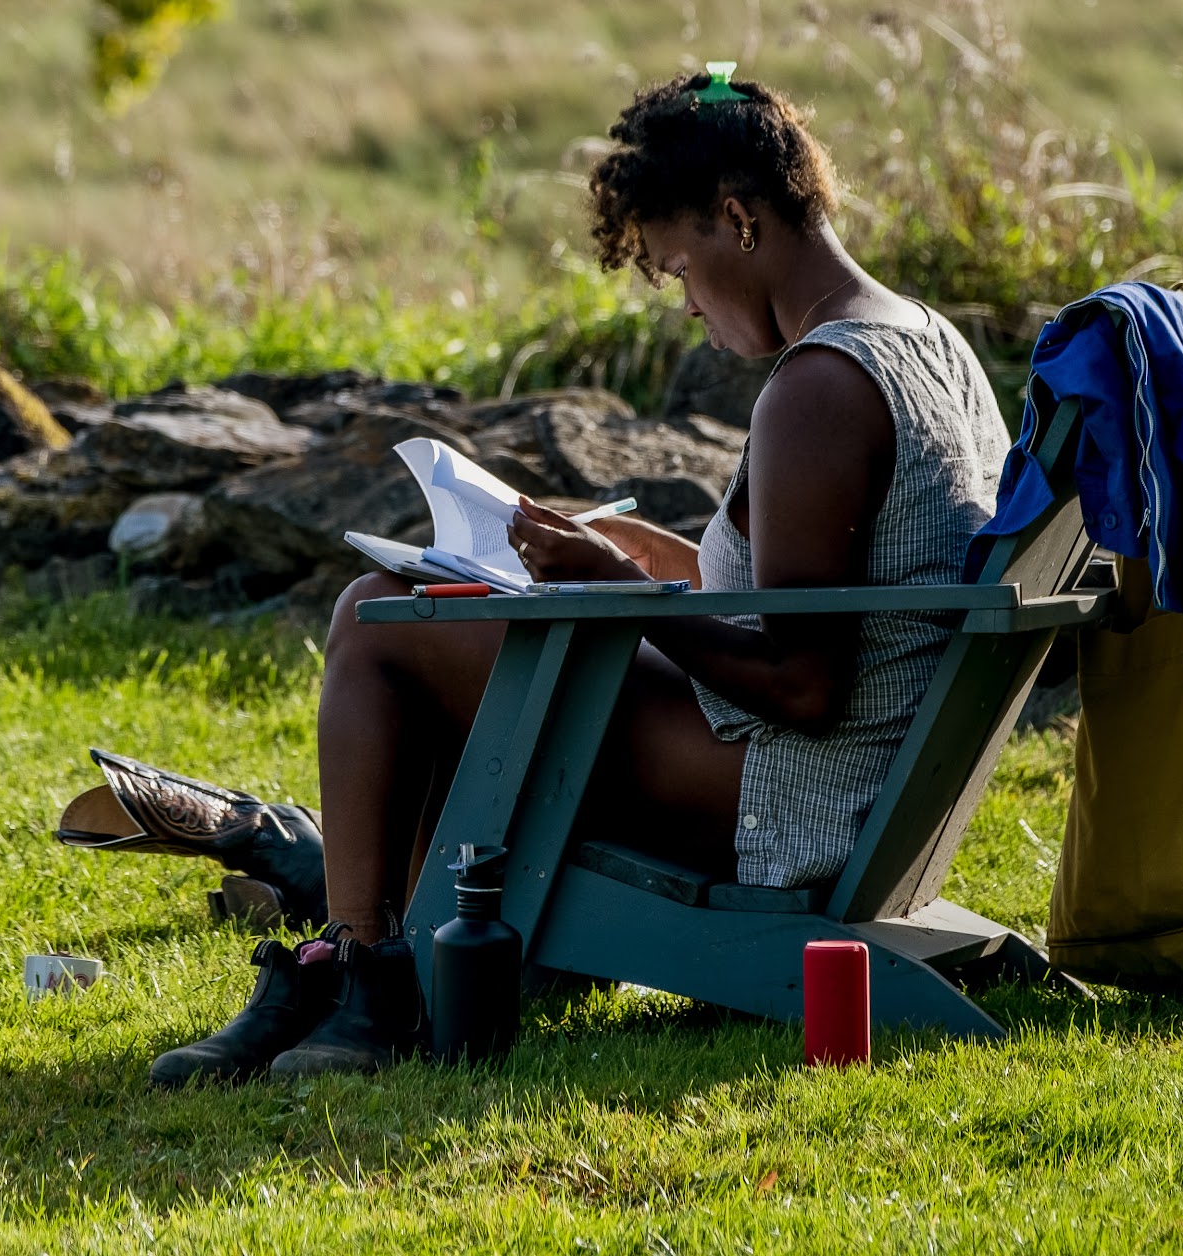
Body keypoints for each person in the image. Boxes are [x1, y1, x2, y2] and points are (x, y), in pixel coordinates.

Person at [152, 71, 1011, 1083]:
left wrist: (617, 583)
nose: (686, 304)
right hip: (870, 776)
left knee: (380, 616)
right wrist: (659, 563)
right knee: (451, 622)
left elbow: (805, 684)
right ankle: (379, 958)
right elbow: (836, 599)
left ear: (737, 219)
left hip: (794, 799)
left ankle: (363, 970)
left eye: (677, 269)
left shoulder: (821, 388)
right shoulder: (922, 338)